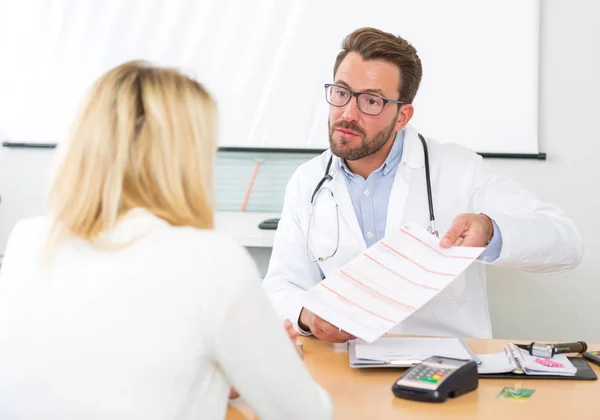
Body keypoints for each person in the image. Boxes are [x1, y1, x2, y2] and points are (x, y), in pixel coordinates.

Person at [0, 61, 332, 420]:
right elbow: (307, 413)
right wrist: (271, 362)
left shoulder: (27, 240)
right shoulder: (210, 261)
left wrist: (217, 377)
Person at [262, 27, 583, 343]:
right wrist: (308, 313)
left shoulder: (459, 170)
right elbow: (280, 286)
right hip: (347, 373)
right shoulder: (308, 182)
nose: (347, 113)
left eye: (371, 101)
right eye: (342, 92)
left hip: (443, 372)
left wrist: (490, 231)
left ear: (402, 116)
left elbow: (566, 242)